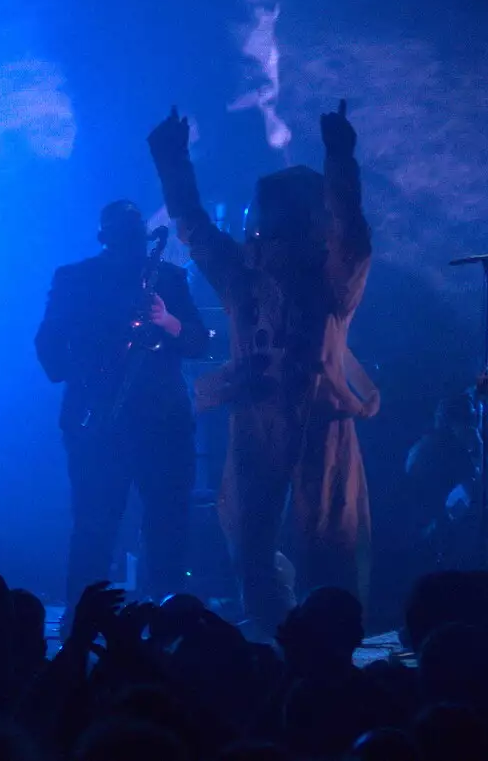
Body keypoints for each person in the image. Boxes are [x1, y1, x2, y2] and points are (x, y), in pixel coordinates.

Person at [148, 100, 375, 637]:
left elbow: (352, 237)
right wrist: (173, 161)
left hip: (319, 417)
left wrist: (341, 158)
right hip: (262, 414)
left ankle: (325, 637)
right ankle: (277, 633)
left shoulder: (328, 279)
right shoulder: (247, 276)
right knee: (252, 535)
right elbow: (196, 229)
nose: (262, 227)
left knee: (327, 537)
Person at [36, 200, 210, 613]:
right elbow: (48, 345)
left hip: (162, 421)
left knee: (168, 524)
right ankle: (84, 618)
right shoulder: (75, 279)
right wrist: (82, 374)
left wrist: (167, 321)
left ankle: (168, 617)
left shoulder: (168, 277)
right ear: (104, 237)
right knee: (94, 525)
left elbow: (200, 341)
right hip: (97, 419)